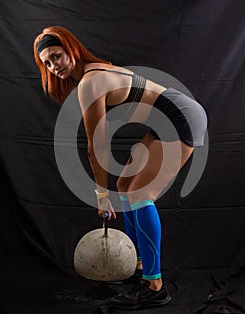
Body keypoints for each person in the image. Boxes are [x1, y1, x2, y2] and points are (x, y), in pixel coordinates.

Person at [33, 26, 207, 310]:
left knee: (141, 193)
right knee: (126, 187)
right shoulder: (93, 70)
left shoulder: (90, 83)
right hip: (169, 116)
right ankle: (138, 268)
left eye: (56, 56)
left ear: (70, 49)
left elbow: (96, 147)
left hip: (181, 115)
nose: (54, 67)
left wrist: (101, 196)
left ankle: (155, 287)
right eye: (47, 63)